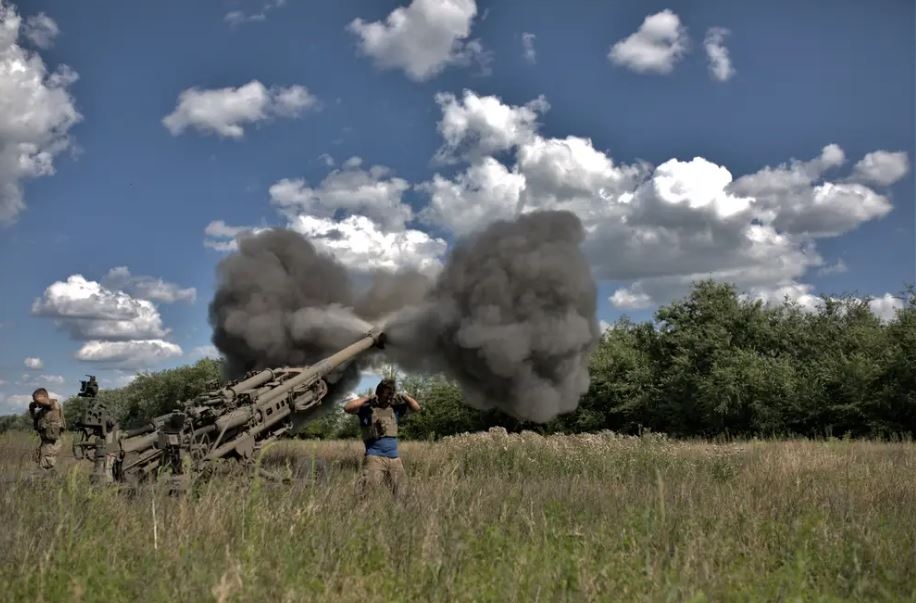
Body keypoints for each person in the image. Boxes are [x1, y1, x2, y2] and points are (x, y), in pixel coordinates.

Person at [344, 378, 421, 497]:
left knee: (403, 494)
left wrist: (404, 396)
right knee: (366, 495)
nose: (388, 398)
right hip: (374, 458)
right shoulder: (367, 409)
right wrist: (368, 398)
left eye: (390, 394)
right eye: (386, 394)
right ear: (379, 394)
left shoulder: (395, 409)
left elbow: (416, 408)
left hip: (395, 459)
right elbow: (348, 408)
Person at [28, 388, 65, 471]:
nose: (36, 403)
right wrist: (31, 408)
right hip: (45, 441)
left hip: (52, 441)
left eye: (36, 400)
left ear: (44, 397)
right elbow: (34, 418)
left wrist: (36, 400)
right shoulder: (43, 411)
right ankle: (47, 479)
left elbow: (44, 400)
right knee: (41, 460)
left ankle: (44, 479)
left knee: (46, 461)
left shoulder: (53, 404)